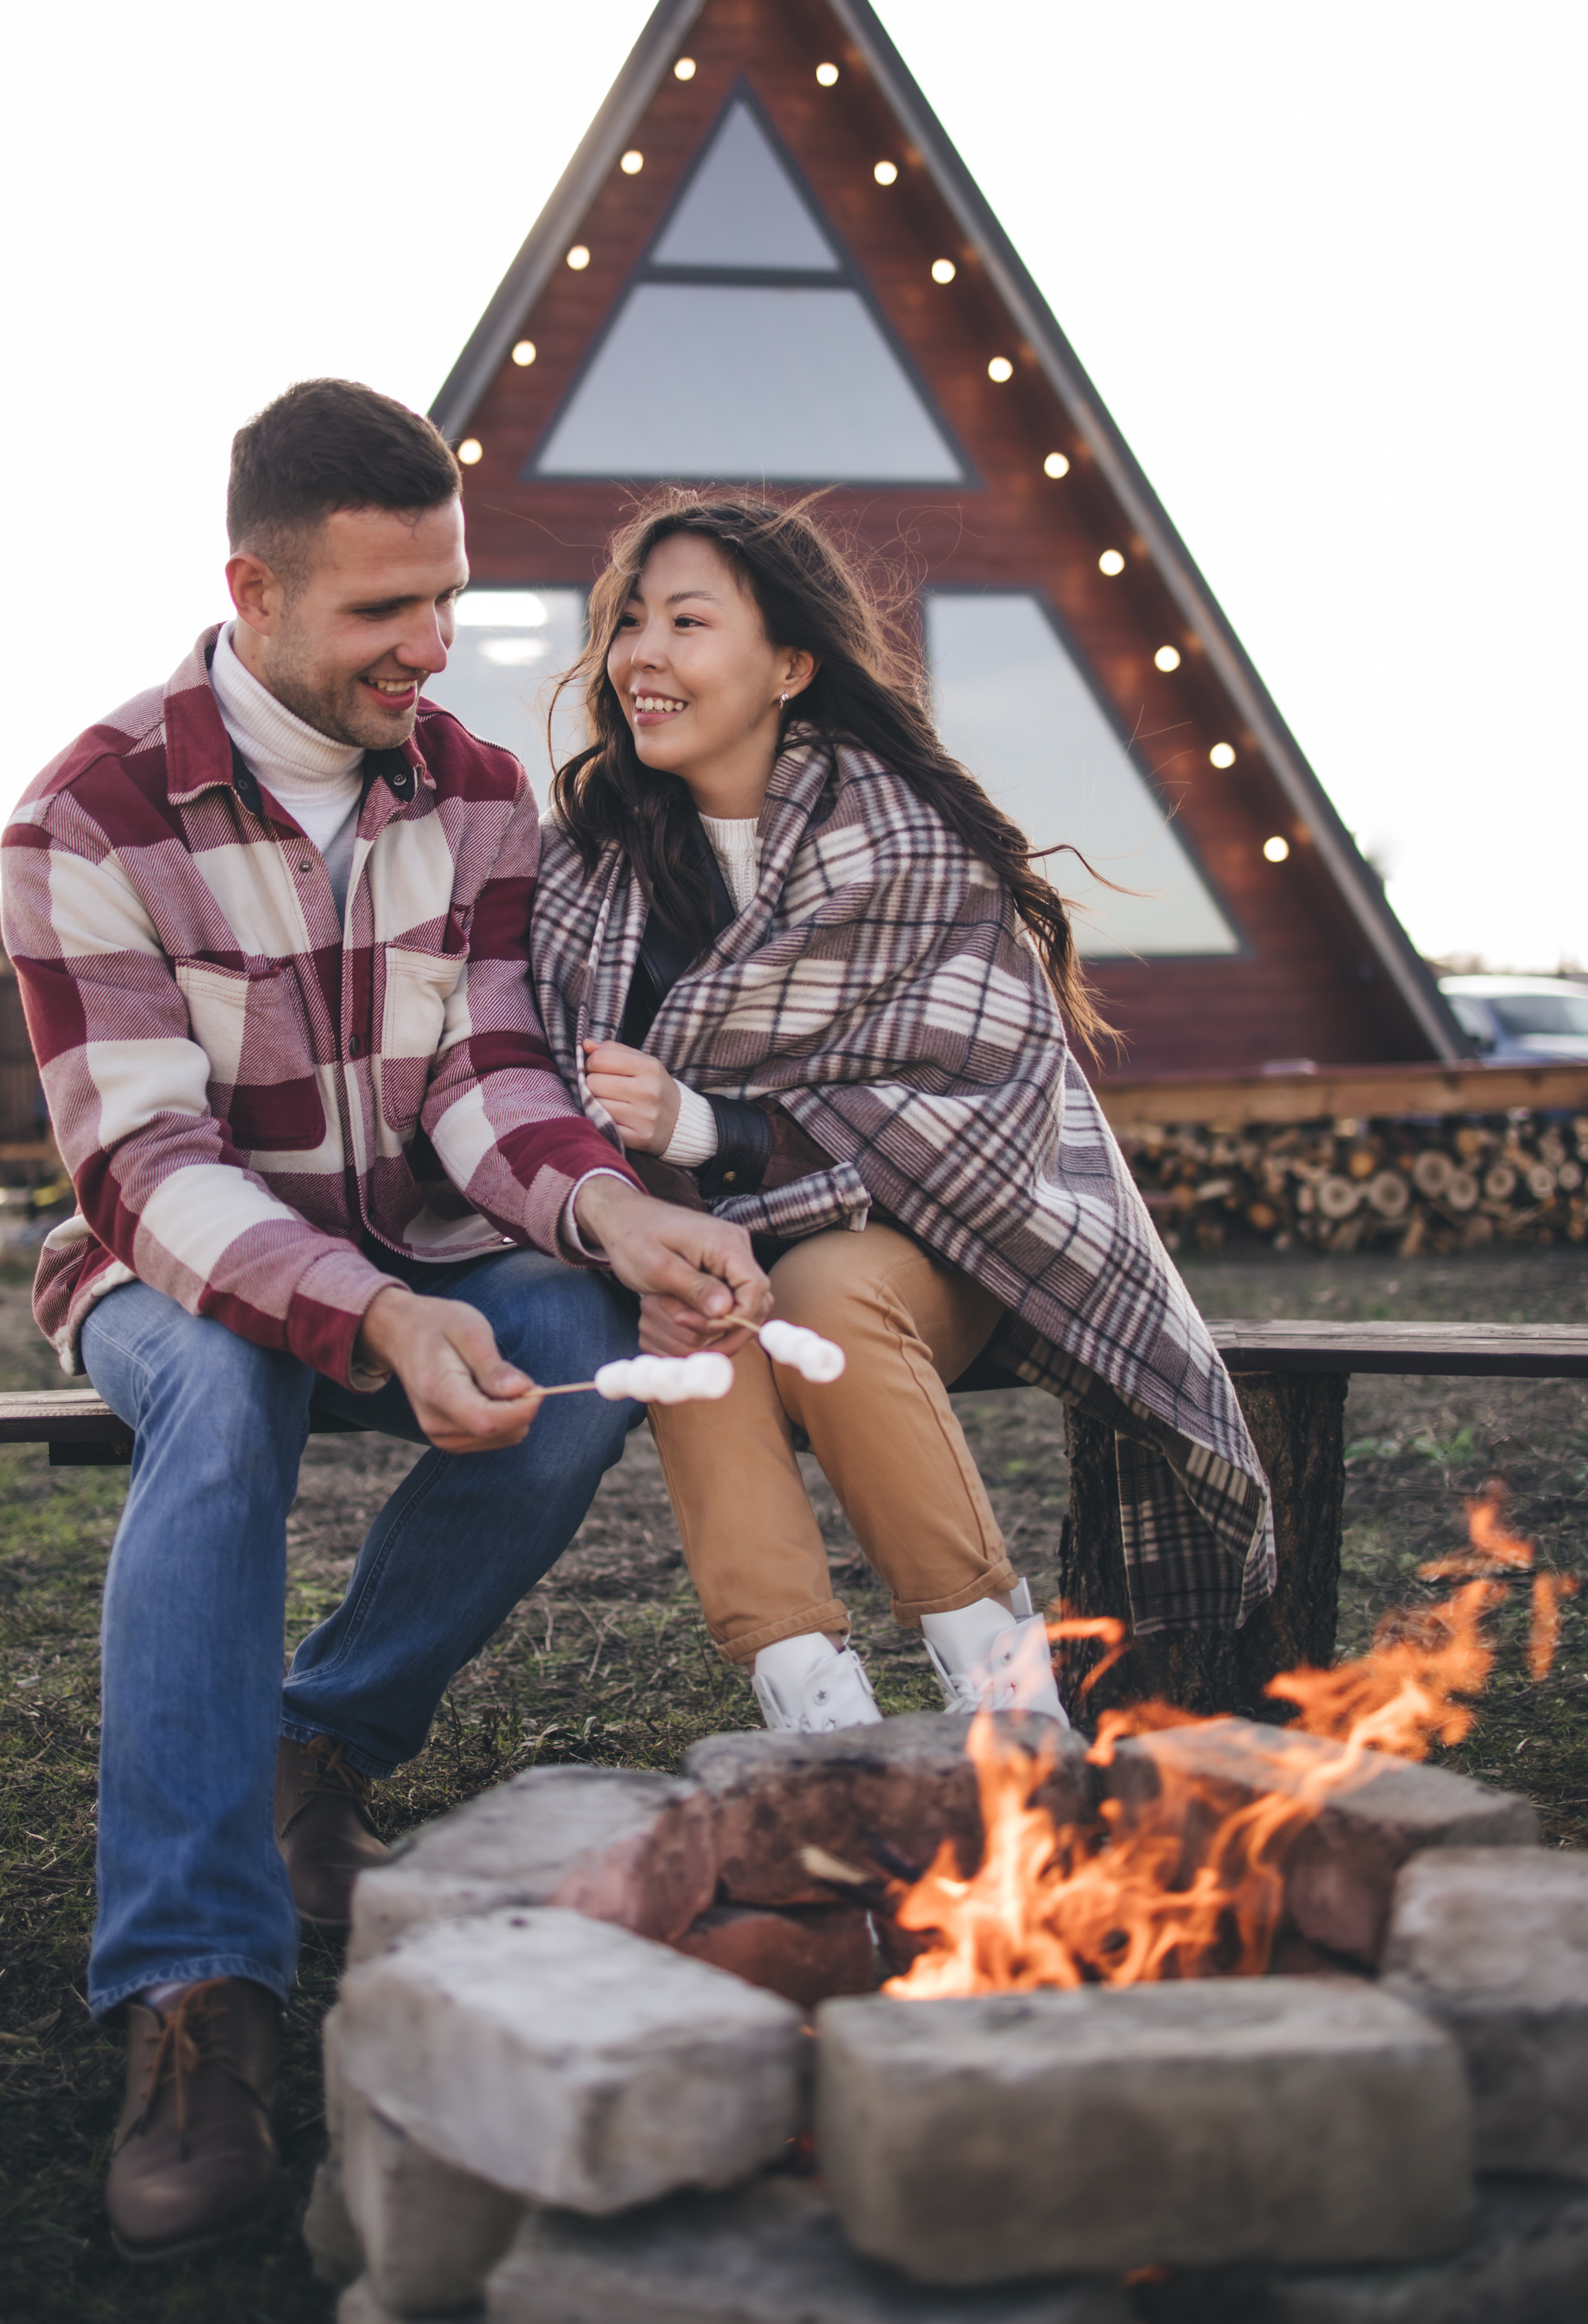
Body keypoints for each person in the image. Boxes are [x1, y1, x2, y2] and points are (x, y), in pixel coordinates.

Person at [0, 385, 770, 2265]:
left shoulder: (478, 790)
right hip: (163, 1263)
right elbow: (152, 1161)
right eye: (378, 615)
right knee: (232, 1382)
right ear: (253, 591)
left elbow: (484, 1082)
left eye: (447, 598)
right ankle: (191, 1993)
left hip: (422, 1229)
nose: (430, 649)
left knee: (588, 1343)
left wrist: (613, 1203)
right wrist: (367, 1317)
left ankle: (314, 1748)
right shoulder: (84, 815)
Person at [530, 491, 1274, 1737]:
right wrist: (662, 1204)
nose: (642, 656)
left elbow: (979, 1098)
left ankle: (1010, 1702)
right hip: (704, 1244)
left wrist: (707, 1128)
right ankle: (818, 1718)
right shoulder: (588, 862)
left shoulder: (909, 844)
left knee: (825, 1288)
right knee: (698, 1323)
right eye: (631, 622)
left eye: (690, 622)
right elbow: (554, 1090)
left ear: (790, 666)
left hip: (942, 1240)